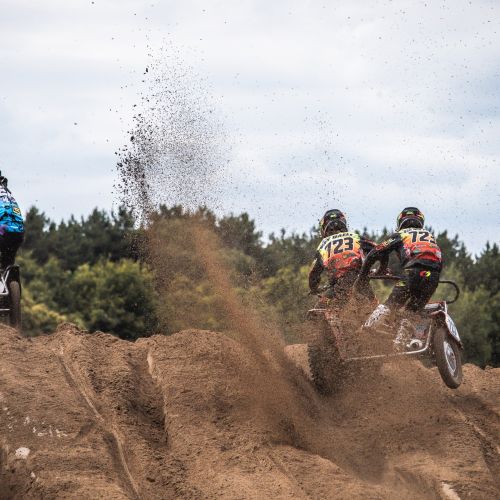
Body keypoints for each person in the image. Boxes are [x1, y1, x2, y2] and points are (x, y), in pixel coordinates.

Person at [355, 207, 442, 341]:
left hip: (412, 274)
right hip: (433, 276)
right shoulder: (430, 236)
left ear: (401, 222)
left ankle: (363, 333)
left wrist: (362, 277)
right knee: (411, 312)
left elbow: (374, 253)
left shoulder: (401, 234)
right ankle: (399, 345)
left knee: (391, 305)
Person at [308, 209, 379, 309]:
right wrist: (382, 268)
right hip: (360, 282)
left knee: (317, 311)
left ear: (324, 228)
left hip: (337, 286)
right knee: (377, 311)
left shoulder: (323, 244)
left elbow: (313, 273)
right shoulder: (356, 237)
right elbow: (378, 249)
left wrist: (314, 288)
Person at [0, 171, 25, 269]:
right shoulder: (6, 191)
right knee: (6, 265)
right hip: (18, 233)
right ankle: (9, 273)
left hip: (3, 232)